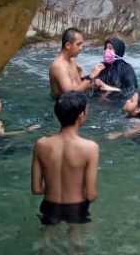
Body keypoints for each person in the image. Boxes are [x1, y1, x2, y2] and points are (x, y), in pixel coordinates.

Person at [31, 91, 99, 225]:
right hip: (76, 208)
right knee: (76, 244)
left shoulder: (41, 144)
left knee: (47, 243)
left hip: (49, 206)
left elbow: (36, 189)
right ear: (81, 115)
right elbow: (90, 195)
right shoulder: (90, 148)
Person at [49, 27, 93, 99]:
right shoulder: (59, 66)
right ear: (68, 45)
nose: (81, 48)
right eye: (78, 44)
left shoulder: (72, 59)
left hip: (78, 101)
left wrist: (84, 76)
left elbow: (78, 85)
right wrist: (90, 78)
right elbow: (70, 94)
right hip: (65, 107)